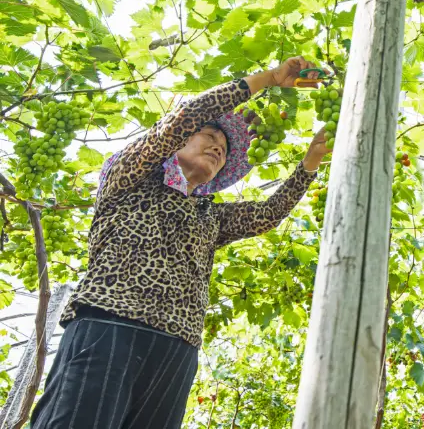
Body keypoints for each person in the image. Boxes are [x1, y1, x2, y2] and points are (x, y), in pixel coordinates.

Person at [31, 57, 331, 429]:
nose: (218, 147)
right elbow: (186, 116)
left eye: (223, 147)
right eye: (210, 137)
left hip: (178, 347)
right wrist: (269, 79)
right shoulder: (132, 177)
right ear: (181, 141)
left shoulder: (209, 214)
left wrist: (311, 161)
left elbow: (268, 214)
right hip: (110, 324)